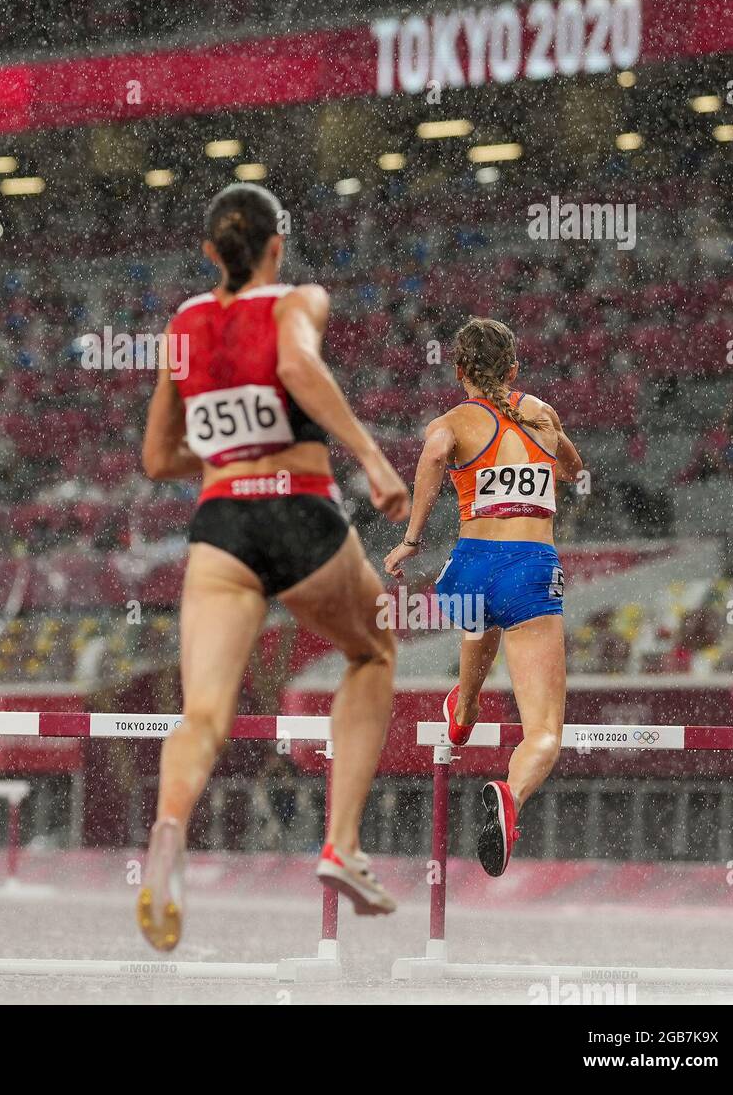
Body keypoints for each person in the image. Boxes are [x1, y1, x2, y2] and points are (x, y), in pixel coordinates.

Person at [137, 183, 411, 952]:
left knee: (203, 715)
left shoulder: (183, 325)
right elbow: (295, 366)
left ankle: (167, 828)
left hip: (219, 526)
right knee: (371, 651)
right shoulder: (298, 300)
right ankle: (342, 845)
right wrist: (371, 458)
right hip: (298, 510)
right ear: (275, 248)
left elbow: (157, 458)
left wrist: (224, 451)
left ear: (208, 255)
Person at [384, 318, 583, 876]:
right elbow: (573, 467)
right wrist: (556, 457)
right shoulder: (541, 413)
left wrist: (411, 540)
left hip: (466, 572)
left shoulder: (452, 422)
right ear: (514, 369)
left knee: (480, 611)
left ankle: (464, 707)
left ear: (460, 372)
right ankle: (511, 794)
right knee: (544, 731)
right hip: (528, 572)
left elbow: (431, 456)